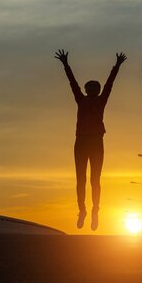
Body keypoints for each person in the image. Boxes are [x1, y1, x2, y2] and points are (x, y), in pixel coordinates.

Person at [55, 49, 127, 230]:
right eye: (91, 87)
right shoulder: (81, 100)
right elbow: (73, 83)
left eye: (97, 87)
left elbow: (110, 84)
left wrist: (116, 66)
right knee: (81, 179)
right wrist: (66, 64)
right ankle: (83, 211)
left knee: (95, 178)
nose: (94, 89)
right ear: (87, 90)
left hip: (96, 142)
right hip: (81, 142)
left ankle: (95, 210)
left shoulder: (102, 100)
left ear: (99, 90)